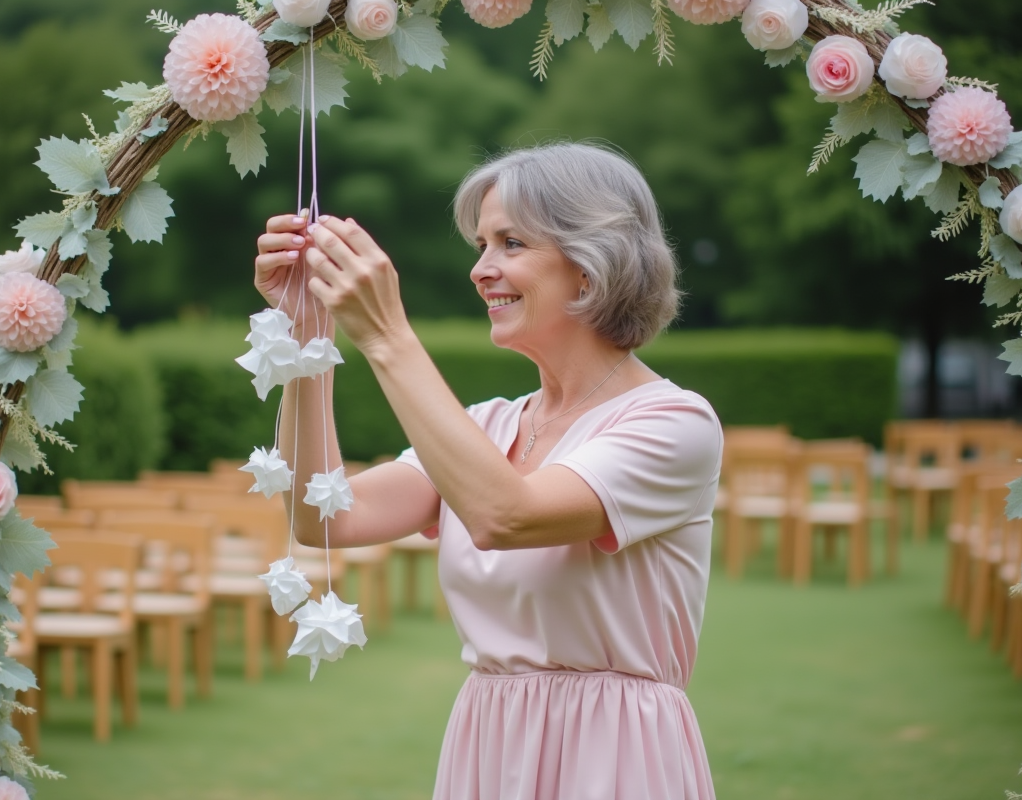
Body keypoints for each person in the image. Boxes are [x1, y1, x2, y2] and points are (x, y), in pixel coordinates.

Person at [254, 142, 722, 800]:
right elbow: (323, 519)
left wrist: (387, 336)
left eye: (511, 243)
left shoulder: (675, 423)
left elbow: (506, 516)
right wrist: (307, 335)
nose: (480, 270)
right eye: (481, 245)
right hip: (489, 743)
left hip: (613, 753)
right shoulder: (486, 427)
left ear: (591, 265)